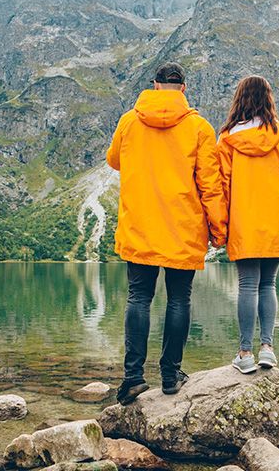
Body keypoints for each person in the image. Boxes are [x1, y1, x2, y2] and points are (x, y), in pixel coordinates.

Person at [106, 62, 228, 405]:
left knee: (138, 297)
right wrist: (219, 229)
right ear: (184, 89)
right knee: (179, 299)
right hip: (183, 226)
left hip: (141, 224)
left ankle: (132, 379)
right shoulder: (199, 127)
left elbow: (114, 159)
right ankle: (171, 375)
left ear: (155, 85)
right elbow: (210, 184)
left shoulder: (129, 121)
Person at [217, 75, 279, 374]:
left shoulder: (228, 138)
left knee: (247, 285)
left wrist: (222, 224)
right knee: (269, 284)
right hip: (276, 219)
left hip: (244, 220)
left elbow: (223, 185)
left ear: (239, 99)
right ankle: (267, 348)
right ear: (269, 100)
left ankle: (244, 353)